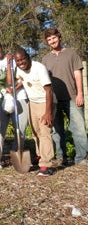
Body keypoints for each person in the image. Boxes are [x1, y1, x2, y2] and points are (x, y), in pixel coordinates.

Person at [42, 27, 88, 166]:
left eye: (54, 38)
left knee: (78, 129)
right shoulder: (45, 59)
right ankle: (62, 157)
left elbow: (77, 75)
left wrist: (80, 94)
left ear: (59, 37)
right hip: (54, 100)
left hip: (72, 98)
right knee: (57, 131)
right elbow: (44, 81)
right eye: (49, 39)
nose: (52, 41)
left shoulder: (71, 54)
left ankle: (82, 158)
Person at [7, 47, 55, 177]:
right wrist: (8, 63)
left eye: (23, 59)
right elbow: (10, 82)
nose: (21, 62)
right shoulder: (18, 68)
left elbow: (49, 91)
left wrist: (48, 112)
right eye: (18, 61)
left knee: (45, 132)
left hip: (45, 101)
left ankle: (47, 165)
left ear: (28, 57)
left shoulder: (39, 68)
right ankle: (40, 156)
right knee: (35, 132)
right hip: (32, 102)